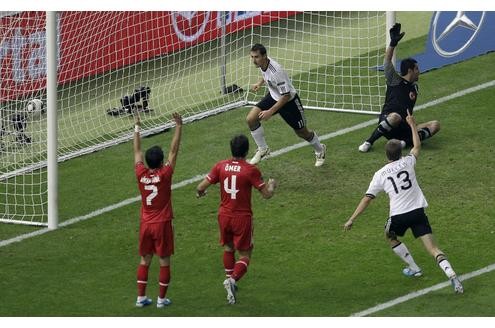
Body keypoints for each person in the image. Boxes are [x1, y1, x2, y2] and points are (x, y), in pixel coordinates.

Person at [344, 110, 463, 294]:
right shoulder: (408, 162)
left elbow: (367, 199)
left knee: (390, 236)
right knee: (433, 248)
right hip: (418, 212)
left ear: (386, 154)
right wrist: (412, 124)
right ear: (401, 152)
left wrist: (352, 219)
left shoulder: (380, 174)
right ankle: (453, 275)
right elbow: (416, 146)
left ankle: (414, 268)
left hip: (398, 216)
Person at [196, 134, 277, 304]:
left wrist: (201, 193)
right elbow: (267, 195)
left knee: (228, 248)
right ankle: (232, 280)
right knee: (246, 254)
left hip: (224, 216)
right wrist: (272, 185)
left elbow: (200, 187)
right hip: (242, 218)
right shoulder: (250, 170)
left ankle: (229, 283)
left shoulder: (220, 166)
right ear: (247, 151)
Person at [358, 23, 440, 153]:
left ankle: (403, 143)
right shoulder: (394, 80)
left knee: (435, 125)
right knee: (396, 117)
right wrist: (392, 43)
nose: (419, 71)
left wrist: (412, 124)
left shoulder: (415, 88)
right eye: (417, 69)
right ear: (410, 71)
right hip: (390, 123)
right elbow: (386, 63)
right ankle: (369, 142)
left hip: (404, 128)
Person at [132, 110, 183, 308]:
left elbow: (136, 152)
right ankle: (161, 299)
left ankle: (141, 297)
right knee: (164, 261)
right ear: (161, 162)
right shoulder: (165, 174)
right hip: (162, 224)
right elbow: (174, 151)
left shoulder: (140, 172)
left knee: (145, 260)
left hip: (146, 223)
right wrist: (178, 126)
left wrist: (137, 127)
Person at [247, 43, 326, 167]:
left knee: (302, 132)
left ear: (264, 56)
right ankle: (263, 149)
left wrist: (270, 112)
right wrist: (260, 83)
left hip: (289, 102)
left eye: (256, 57)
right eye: (252, 57)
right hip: (274, 96)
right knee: (251, 119)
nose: (253, 60)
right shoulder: (263, 63)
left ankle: (320, 149)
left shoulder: (276, 71)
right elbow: (266, 74)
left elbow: (286, 96)